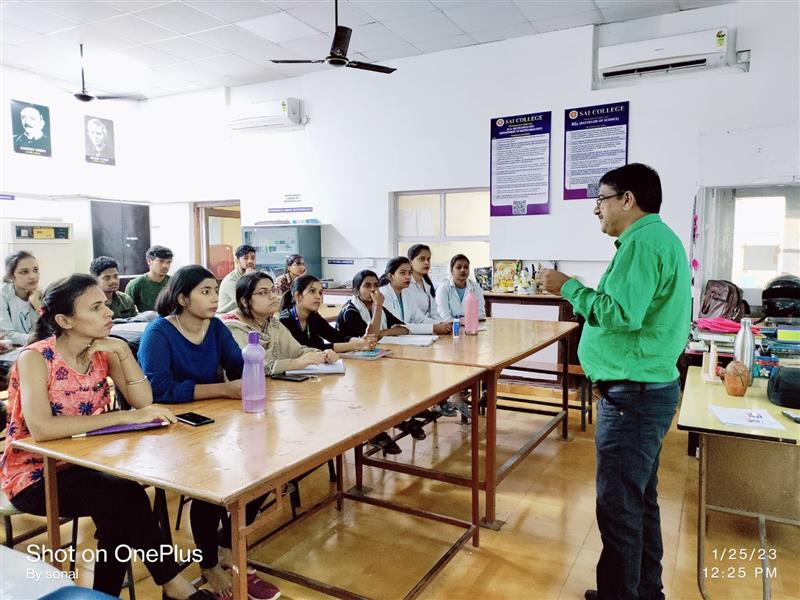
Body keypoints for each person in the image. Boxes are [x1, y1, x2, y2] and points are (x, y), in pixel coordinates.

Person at [0, 274, 213, 600]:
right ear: (64, 320)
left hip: (88, 464)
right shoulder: (35, 357)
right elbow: (42, 429)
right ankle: (172, 584)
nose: (108, 312)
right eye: (96, 307)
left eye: (106, 305)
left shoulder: (104, 351)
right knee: (123, 498)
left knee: (118, 507)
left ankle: (110, 594)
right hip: (33, 473)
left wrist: (124, 353)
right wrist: (126, 416)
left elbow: (145, 402)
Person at [539, 163, 691, 600]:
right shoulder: (657, 240)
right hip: (645, 391)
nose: (596, 210)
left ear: (627, 199)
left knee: (620, 509)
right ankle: (644, 591)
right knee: (639, 501)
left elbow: (621, 313)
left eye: (601, 199)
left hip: (633, 397)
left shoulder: (643, 244)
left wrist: (568, 287)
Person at [138, 265, 280, 599]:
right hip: (171, 430)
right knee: (213, 484)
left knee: (264, 467)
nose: (215, 298)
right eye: (205, 292)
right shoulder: (159, 332)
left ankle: (226, 547)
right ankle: (210, 563)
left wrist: (251, 371)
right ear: (183, 297)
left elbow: (238, 366)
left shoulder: (215, 327)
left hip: (212, 421)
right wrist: (221, 389)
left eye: (216, 291)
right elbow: (157, 389)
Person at [221, 271, 332, 375]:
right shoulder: (232, 328)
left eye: (273, 290)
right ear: (245, 301)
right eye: (263, 292)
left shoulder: (272, 323)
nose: (273, 296)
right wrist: (296, 363)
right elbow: (250, 368)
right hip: (240, 392)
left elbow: (297, 351)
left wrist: (322, 354)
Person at [279, 274, 375, 354]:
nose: (318, 296)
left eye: (320, 292)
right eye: (312, 291)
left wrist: (360, 340)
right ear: (298, 296)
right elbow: (311, 348)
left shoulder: (313, 316)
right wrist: (356, 345)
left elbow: (335, 336)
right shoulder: (285, 320)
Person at [378, 257, 452, 336]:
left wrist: (442, 324)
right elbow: (398, 325)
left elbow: (420, 319)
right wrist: (433, 328)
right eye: (403, 273)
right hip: (386, 340)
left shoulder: (406, 293)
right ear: (390, 276)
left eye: (409, 273)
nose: (408, 276)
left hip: (402, 339)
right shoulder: (383, 294)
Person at [336, 270, 409, 340]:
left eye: (376, 285)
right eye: (367, 286)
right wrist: (378, 305)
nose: (373, 289)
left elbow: (404, 328)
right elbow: (371, 337)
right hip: (346, 350)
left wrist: (384, 332)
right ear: (356, 292)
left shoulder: (377, 307)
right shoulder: (350, 311)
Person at [1, 251, 42, 346]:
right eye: (24, 272)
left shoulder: (39, 294)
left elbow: (52, 328)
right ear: (11, 275)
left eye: (35, 270)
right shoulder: (3, 295)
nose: (33, 276)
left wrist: (37, 305)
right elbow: (6, 335)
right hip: (10, 355)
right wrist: (41, 339)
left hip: (34, 350)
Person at [435, 254, 487, 321]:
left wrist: (463, 320)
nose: (463, 270)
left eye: (466, 267)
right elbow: (445, 317)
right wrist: (462, 321)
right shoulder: (443, 289)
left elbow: (481, 314)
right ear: (451, 270)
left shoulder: (476, 287)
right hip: (451, 328)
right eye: (458, 267)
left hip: (472, 327)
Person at [125, 245, 173, 312]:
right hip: (146, 321)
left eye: (169, 262)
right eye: (161, 261)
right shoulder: (136, 284)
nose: (165, 266)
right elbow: (127, 311)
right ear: (149, 261)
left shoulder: (174, 282)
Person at [216, 244, 256, 314]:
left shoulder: (254, 275)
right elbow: (245, 303)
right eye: (246, 258)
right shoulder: (231, 281)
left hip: (242, 314)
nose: (250, 261)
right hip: (225, 316)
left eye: (253, 258)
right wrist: (249, 278)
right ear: (237, 261)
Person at [406, 244, 442, 321]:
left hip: (427, 327)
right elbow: (414, 316)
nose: (427, 262)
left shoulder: (427, 284)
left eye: (428, 259)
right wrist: (435, 326)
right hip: (412, 329)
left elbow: (434, 312)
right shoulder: (406, 284)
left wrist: (441, 324)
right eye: (422, 259)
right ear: (410, 262)